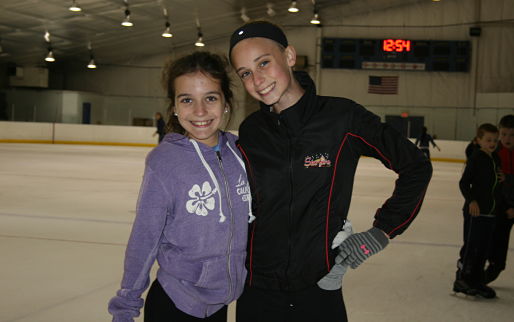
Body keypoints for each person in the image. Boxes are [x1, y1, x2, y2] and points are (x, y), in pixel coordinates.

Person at [228, 20, 432, 322]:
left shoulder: (342, 118)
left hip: (319, 290)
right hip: (258, 293)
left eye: (264, 63)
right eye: (245, 73)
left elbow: (415, 165)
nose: (257, 80)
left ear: (290, 56)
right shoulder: (252, 131)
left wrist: (382, 231)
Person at [108, 51, 252, 322]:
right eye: (187, 100)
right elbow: (145, 237)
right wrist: (125, 307)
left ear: (226, 103)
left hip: (221, 303)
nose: (199, 111)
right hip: (176, 304)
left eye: (210, 98)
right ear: (174, 106)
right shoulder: (165, 162)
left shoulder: (240, 153)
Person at [453, 123, 502, 299]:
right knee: (471, 247)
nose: (492, 143)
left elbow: (494, 185)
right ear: (479, 140)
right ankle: (462, 280)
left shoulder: (496, 158)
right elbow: (464, 183)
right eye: (488, 140)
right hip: (475, 211)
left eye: (495, 140)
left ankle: (477, 281)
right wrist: (471, 200)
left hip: (490, 211)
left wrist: (501, 179)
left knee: (483, 249)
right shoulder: (476, 157)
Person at [485, 115, 514, 284]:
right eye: (503, 134)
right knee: (498, 242)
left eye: (511, 135)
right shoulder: (494, 154)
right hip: (503, 208)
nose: (506, 139)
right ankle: (494, 267)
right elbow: (494, 188)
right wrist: (506, 207)